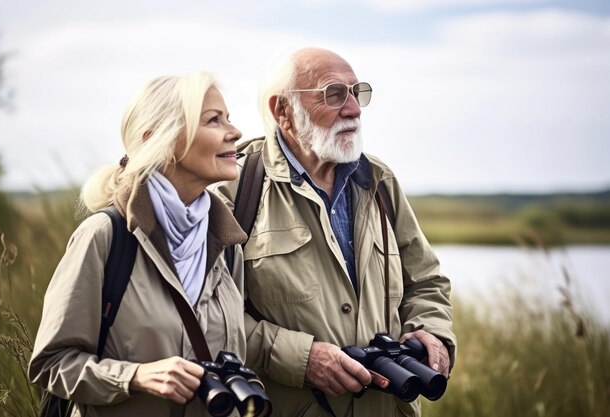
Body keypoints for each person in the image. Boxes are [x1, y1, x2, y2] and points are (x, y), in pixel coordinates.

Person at [213, 47, 457, 417]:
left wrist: (432, 332)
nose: (355, 109)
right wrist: (301, 358)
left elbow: (426, 281)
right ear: (283, 111)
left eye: (357, 92)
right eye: (334, 94)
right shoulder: (234, 191)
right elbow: (212, 318)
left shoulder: (379, 181)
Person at [29, 72, 248, 416]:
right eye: (213, 120)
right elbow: (51, 364)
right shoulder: (105, 236)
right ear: (158, 140)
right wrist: (134, 377)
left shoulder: (227, 243)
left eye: (229, 118)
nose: (235, 132)